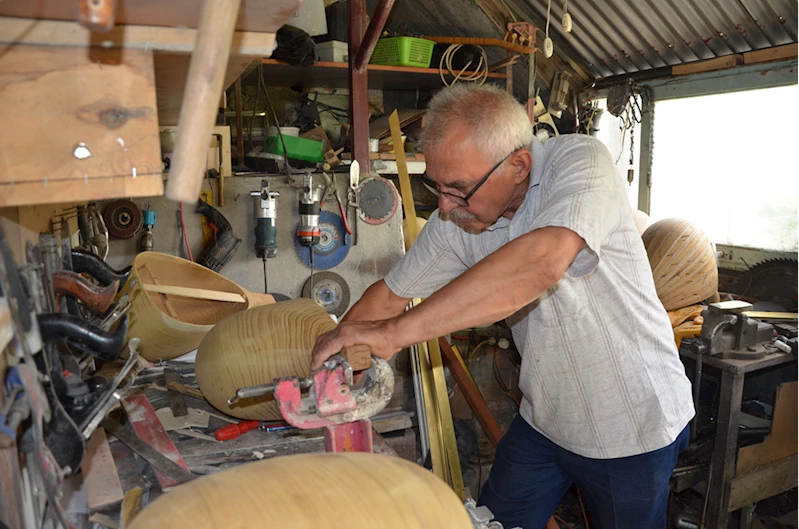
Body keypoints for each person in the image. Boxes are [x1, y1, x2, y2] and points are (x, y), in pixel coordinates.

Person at [311, 84, 694, 529]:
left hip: (632, 423)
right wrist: (335, 353)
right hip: (547, 418)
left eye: (458, 190)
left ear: (518, 166)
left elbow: (542, 262)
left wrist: (391, 335)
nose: (446, 207)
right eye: (436, 188)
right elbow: (391, 294)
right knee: (487, 522)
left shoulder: (581, 164)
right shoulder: (459, 220)